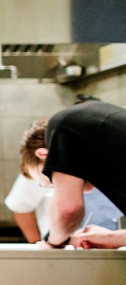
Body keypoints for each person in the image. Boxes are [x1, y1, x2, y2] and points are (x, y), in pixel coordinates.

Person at [6, 117, 122, 244]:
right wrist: (41, 245)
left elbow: (69, 211)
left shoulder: (108, 162)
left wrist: (115, 238)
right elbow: (21, 208)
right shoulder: (37, 170)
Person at [28, 100, 126, 249]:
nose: (58, 184)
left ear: (44, 155)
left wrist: (53, 241)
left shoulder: (63, 124)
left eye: (50, 179)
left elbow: (67, 212)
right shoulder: (101, 117)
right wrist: (114, 238)